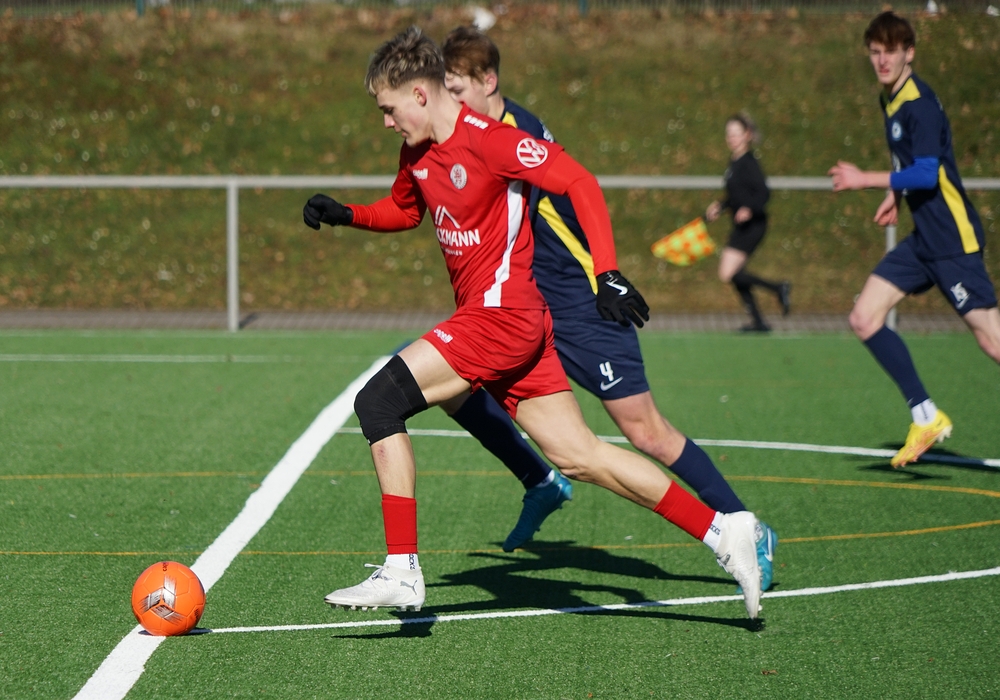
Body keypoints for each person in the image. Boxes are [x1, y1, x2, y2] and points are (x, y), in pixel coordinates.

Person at [302, 26, 764, 618]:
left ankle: (401, 569)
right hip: (512, 325)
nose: (387, 122)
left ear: (419, 93)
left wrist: (607, 272)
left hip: (501, 318)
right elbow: (405, 208)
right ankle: (724, 531)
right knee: (582, 456)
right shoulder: (416, 152)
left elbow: (578, 180)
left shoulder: (492, 141)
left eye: (389, 110)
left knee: (377, 402)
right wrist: (348, 214)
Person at [440, 25, 777, 591]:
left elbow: (579, 187)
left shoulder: (515, 134)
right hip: (525, 306)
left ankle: (746, 528)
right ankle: (539, 479)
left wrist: (607, 275)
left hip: (579, 303)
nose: (450, 102)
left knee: (646, 432)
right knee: (449, 383)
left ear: (488, 81)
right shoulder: (476, 131)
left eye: (456, 89)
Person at [829, 11, 1000, 467]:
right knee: (864, 317)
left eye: (891, 52)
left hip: (952, 241)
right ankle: (926, 416)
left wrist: (865, 179)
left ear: (910, 53)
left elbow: (927, 172)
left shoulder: (919, 104)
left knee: (992, 341)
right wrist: (894, 195)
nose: (882, 60)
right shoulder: (889, 98)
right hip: (924, 239)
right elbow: (906, 162)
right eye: (875, 52)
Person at [706, 113, 791, 332]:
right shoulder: (734, 162)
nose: (732, 138)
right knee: (735, 275)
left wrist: (749, 209)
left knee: (728, 273)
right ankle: (758, 321)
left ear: (747, 135)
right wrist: (721, 206)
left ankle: (778, 288)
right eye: (729, 134)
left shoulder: (748, 163)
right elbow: (737, 194)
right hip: (741, 225)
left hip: (753, 225)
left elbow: (763, 193)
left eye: (736, 134)